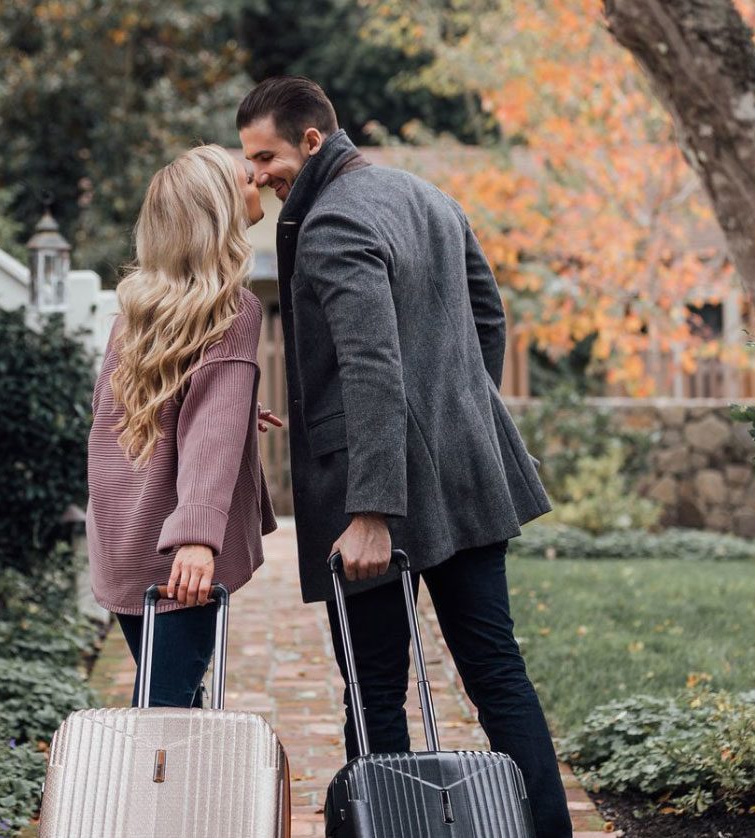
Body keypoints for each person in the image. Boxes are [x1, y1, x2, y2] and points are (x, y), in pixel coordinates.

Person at [237, 77, 573, 837]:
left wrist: (371, 513)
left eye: (266, 156)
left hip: (374, 498)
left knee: (374, 691)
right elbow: (489, 314)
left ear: (312, 140)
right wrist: (454, 419)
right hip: (465, 476)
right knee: (497, 675)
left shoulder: (327, 223)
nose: (258, 174)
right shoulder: (425, 196)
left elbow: (370, 367)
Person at [86, 144, 281, 709]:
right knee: (164, 718)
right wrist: (197, 539)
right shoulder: (234, 310)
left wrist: (237, 411)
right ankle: (139, 803)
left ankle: (186, 801)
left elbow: (118, 427)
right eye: (248, 179)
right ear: (219, 208)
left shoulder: (135, 313)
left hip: (126, 538)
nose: (260, 184)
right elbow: (207, 436)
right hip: (179, 555)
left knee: (171, 706)